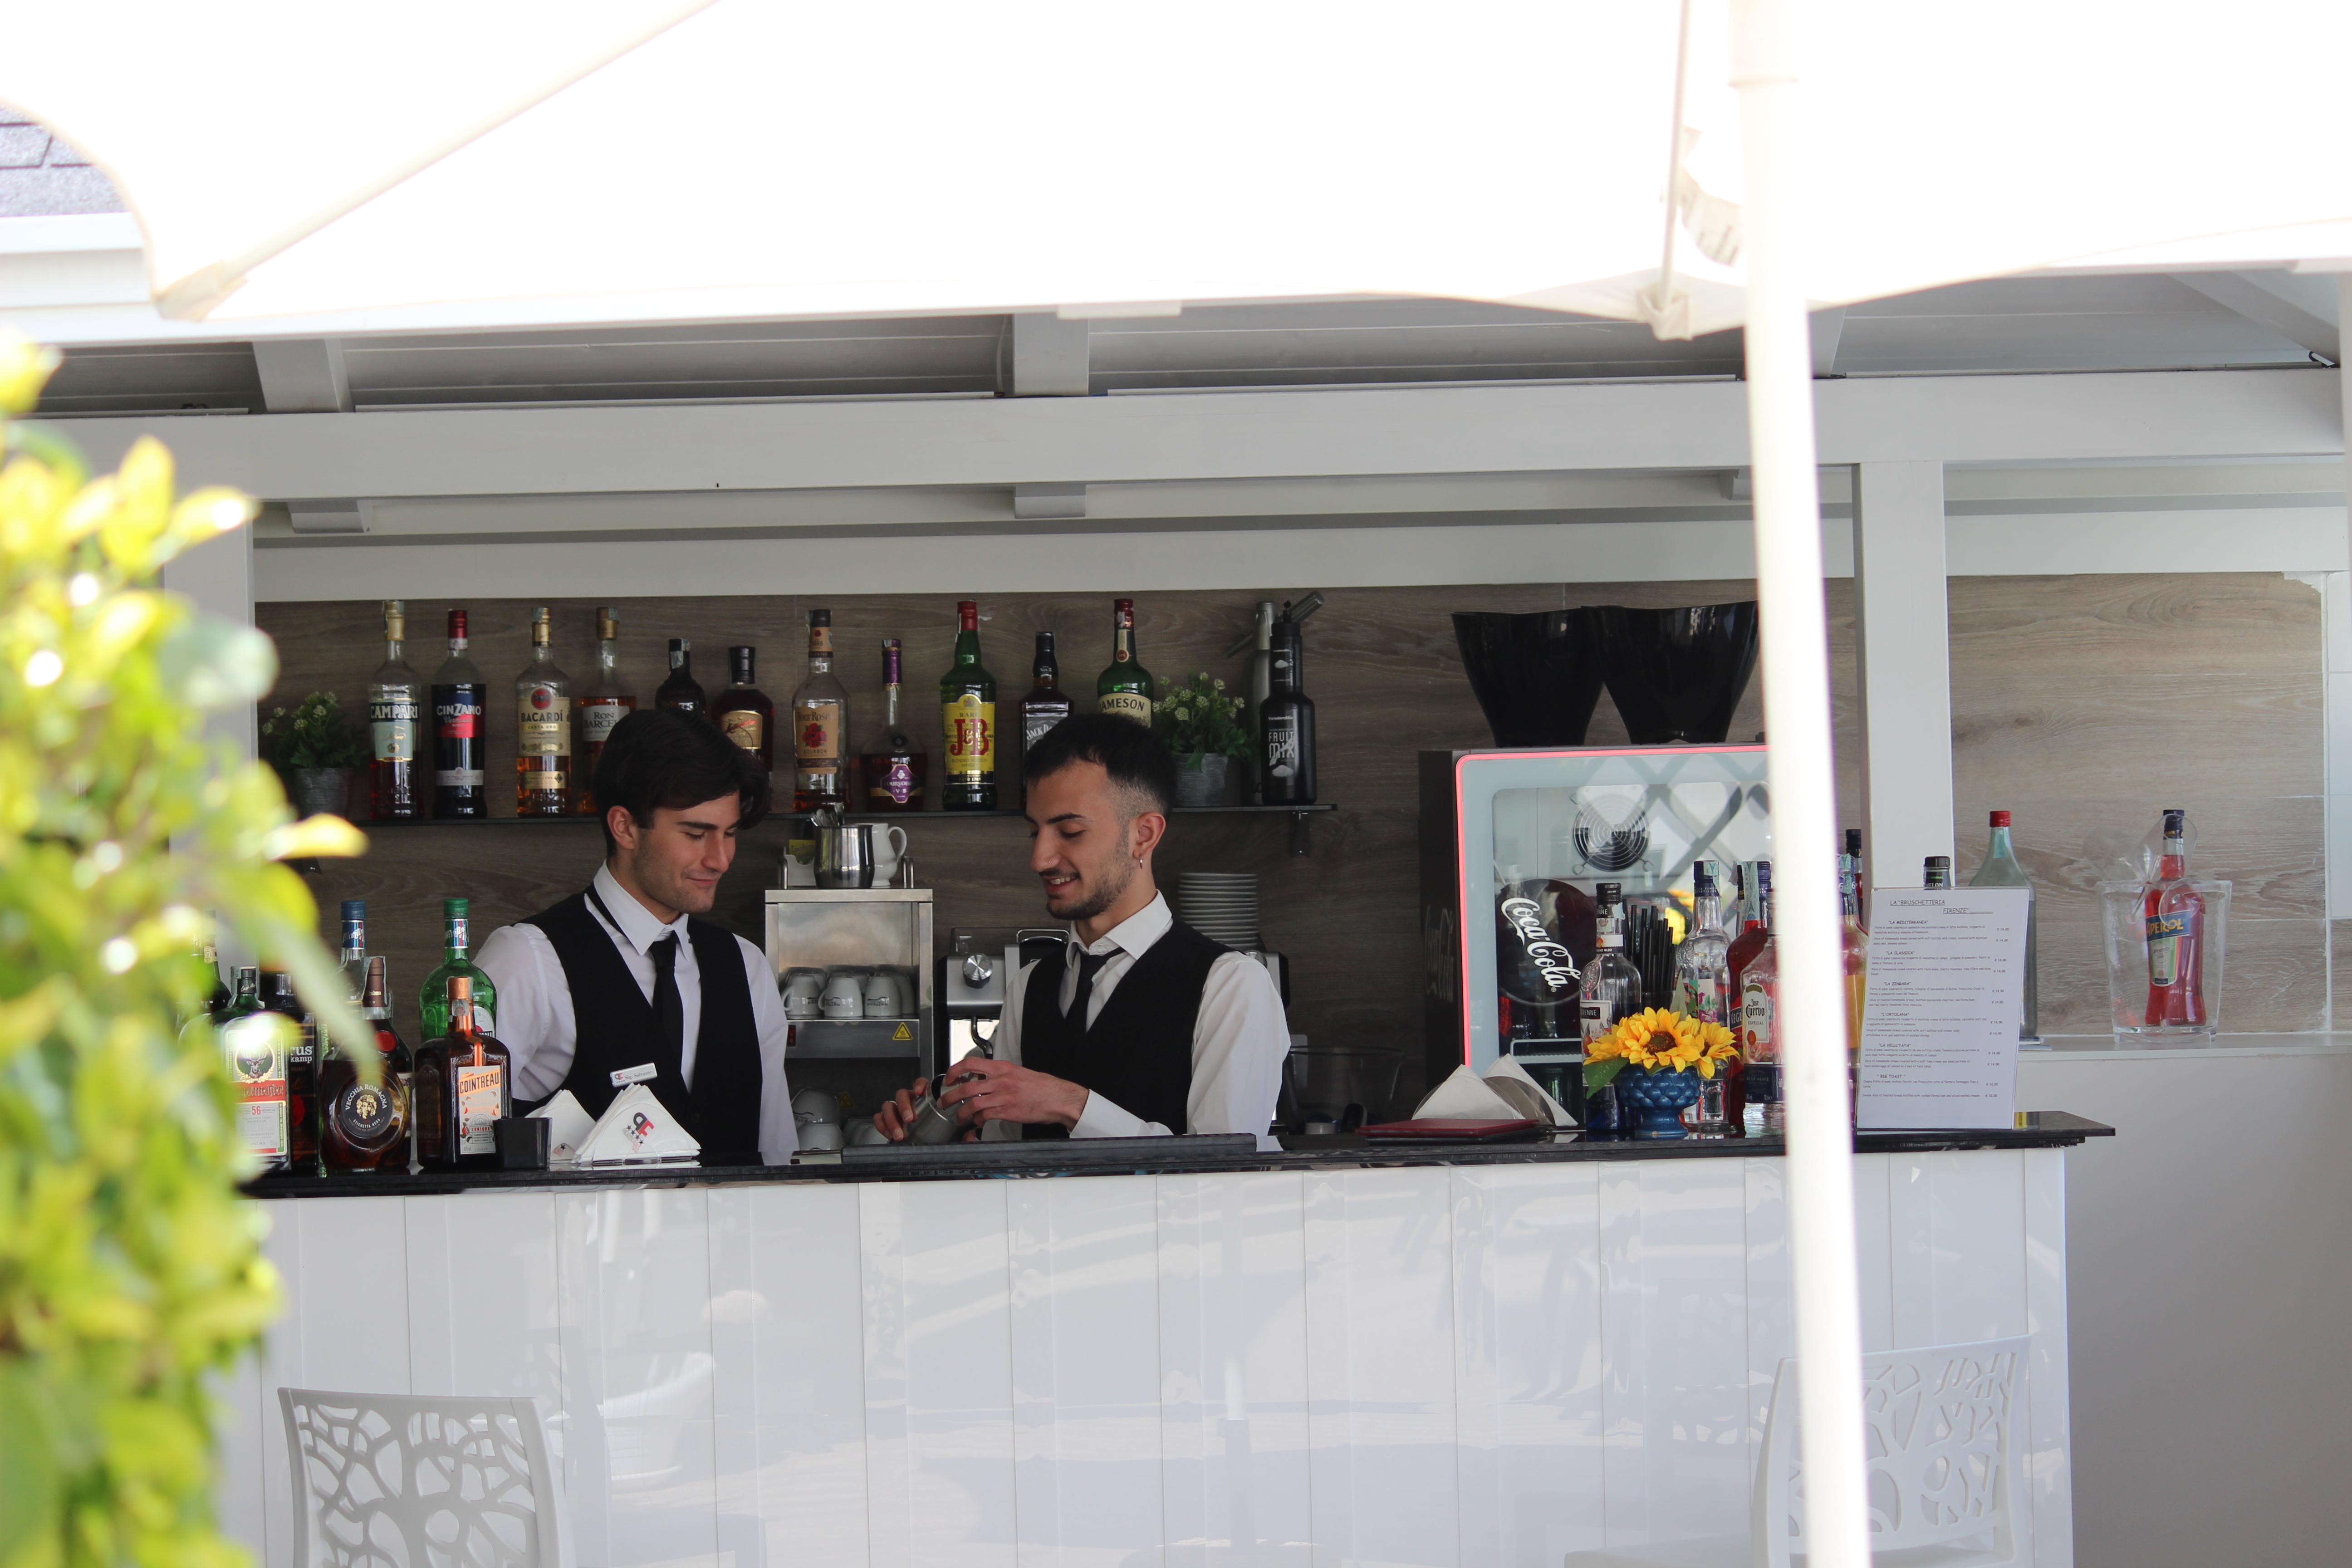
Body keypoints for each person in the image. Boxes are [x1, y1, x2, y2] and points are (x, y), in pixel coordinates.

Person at [874, 714, 1287, 1142]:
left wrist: (1072, 1105)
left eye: (1070, 832)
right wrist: (934, 1123)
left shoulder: (1231, 986)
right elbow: (1003, 1156)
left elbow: (1227, 1170)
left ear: (1144, 835)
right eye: (1034, 833)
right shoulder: (1029, 987)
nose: (1039, 859)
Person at [478, 709, 795, 1163]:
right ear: (624, 827)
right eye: (696, 834)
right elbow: (453, 1155)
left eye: (729, 834)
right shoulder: (526, 960)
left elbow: (777, 1154)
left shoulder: (746, 967)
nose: (721, 859)